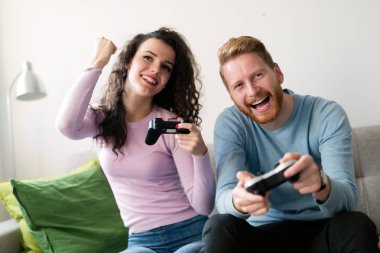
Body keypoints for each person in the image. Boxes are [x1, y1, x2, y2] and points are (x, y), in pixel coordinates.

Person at [201, 35, 380, 253]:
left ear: (277, 73)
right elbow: (224, 197)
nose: (252, 90)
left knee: (357, 224)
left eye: (258, 75)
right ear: (231, 96)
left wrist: (321, 183)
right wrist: (238, 200)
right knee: (219, 225)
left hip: (322, 230)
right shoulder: (231, 123)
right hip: (264, 234)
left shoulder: (326, 114)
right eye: (239, 85)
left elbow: (348, 201)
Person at [56, 27, 215, 253]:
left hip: (190, 233)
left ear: (169, 79)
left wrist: (200, 153)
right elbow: (66, 127)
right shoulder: (100, 120)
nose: (155, 69)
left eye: (165, 67)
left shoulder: (171, 125)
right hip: (142, 241)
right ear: (129, 61)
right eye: (148, 58)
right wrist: (98, 62)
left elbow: (204, 205)